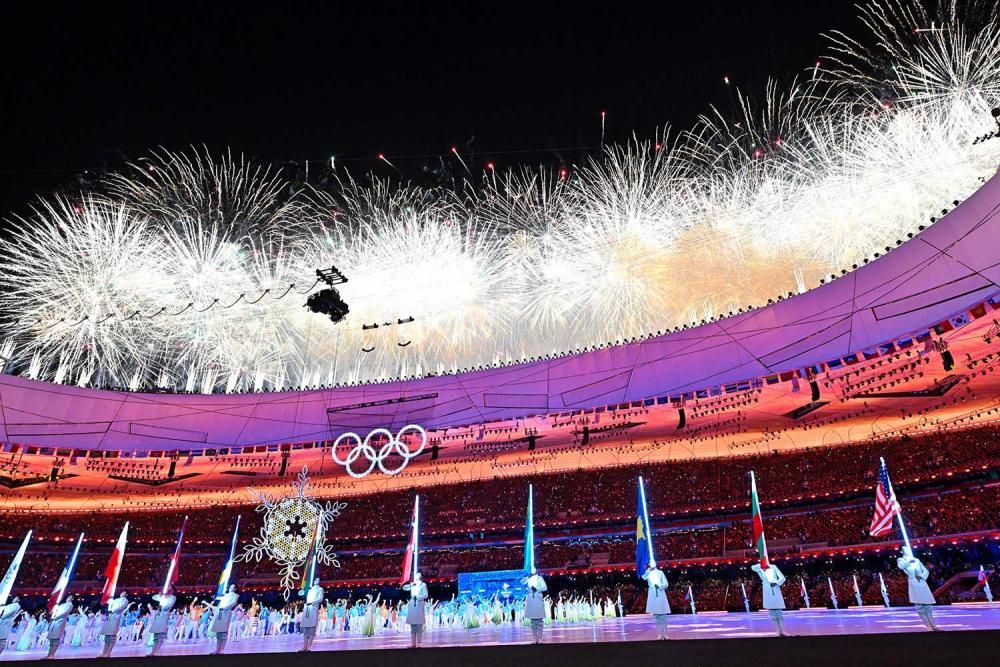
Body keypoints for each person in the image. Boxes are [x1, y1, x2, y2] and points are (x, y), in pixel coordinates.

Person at [897, 546, 939, 631]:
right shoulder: (901, 560)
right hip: (913, 582)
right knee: (920, 606)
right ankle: (929, 627)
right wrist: (909, 561)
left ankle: (934, 626)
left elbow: (925, 570)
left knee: (928, 606)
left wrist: (922, 577)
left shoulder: (917, 560)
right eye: (905, 549)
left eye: (908, 548)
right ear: (902, 552)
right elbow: (901, 566)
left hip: (922, 582)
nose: (908, 550)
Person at [751, 563, 788, 637]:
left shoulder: (773, 566)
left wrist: (776, 583)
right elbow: (752, 567)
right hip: (767, 589)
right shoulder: (759, 567)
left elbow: (782, 578)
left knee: (779, 612)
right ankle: (777, 631)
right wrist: (762, 564)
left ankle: (783, 631)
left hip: (775, 587)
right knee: (772, 613)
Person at [641, 562, 670, 640]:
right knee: (656, 616)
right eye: (650, 563)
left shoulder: (660, 572)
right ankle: (659, 634)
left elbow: (666, 583)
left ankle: (665, 634)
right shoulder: (648, 572)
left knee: (663, 615)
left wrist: (660, 586)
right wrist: (648, 571)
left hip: (660, 594)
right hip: (652, 594)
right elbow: (643, 577)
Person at [209, 585, 240, 654]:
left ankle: (222, 650)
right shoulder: (225, 595)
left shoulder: (235, 595)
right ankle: (217, 649)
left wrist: (225, 608)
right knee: (218, 631)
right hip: (220, 612)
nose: (230, 588)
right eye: (230, 587)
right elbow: (219, 601)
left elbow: (233, 603)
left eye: (232, 587)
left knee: (224, 631)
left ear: (234, 589)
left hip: (226, 613)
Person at [520, 568, 548, 644]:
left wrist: (536, 589)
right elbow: (522, 582)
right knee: (532, 621)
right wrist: (528, 577)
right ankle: (534, 638)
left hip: (538, 598)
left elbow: (545, 587)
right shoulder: (528, 578)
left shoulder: (539, 578)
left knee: (539, 621)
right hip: (531, 599)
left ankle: (540, 638)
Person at [99, 592, 130, 658]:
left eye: (124, 593)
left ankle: (108, 653)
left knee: (112, 636)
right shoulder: (115, 600)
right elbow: (110, 606)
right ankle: (103, 653)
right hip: (110, 617)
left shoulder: (125, 600)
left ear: (126, 594)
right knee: (107, 636)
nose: (122, 593)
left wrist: (112, 610)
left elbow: (121, 607)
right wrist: (110, 607)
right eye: (121, 592)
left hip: (116, 617)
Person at [403, 572, 429, 648]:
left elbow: (426, 595)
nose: (416, 576)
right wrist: (411, 585)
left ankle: (419, 643)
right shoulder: (413, 584)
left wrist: (417, 597)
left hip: (419, 605)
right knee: (412, 625)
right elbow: (404, 588)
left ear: (420, 577)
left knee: (419, 625)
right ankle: (413, 643)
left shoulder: (423, 585)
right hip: (412, 606)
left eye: (418, 575)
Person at [148, 588, 176, 656]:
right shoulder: (163, 597)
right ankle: (152, 652)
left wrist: (162, 603)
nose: (168, 590)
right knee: (156, 635)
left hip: (164, 615)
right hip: (158, 615)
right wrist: (160, 595)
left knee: (160, 635)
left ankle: (156, 652)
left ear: (172, 590)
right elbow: (153, 597)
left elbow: (167, 606)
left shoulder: (172, 597)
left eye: (170, 589)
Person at [45, 595, 74, 660]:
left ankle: (52, 655)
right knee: (51, 639)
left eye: (69, 597)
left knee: (56, 638)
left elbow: (65, 613)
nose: (68, 598)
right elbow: (55, 611)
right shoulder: (62, 605)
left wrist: (57, 617)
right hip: (54, 622)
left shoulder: (70, 605)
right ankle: (48, 655)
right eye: (67, 597)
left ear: (72, 599)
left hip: (60, 622)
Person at [299, 577, 324, 652]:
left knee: (312, 629)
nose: (316, 581)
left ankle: (309, 646)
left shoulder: (320, 589)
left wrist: (312, 603)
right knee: (306, 629)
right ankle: (304, 646)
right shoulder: (310, 589)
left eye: (318, 580)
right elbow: (304, 596)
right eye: (315, 579)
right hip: (307, 609)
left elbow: (320, 599)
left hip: (313, 608)